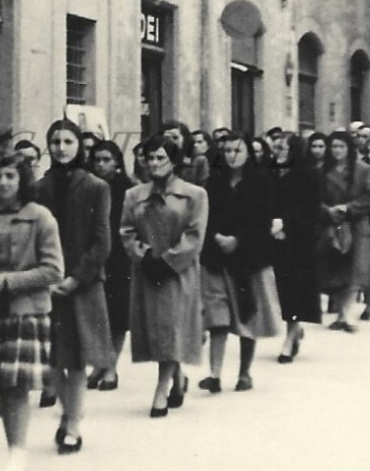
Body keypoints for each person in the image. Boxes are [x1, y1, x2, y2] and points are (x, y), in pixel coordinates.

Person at [0, 149, 65, 471]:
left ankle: (18, 455)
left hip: (27, 312)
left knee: (18, 384)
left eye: (11, 176)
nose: (3, 182)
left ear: (23, 180)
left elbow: (53, 270)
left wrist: (9, 282)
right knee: (3, 386)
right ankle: (13, 450)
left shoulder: (41, 217)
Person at [33, 119, 115, 451]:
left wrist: (76, 277)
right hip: (48, 284)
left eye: (68, 141)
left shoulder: (96, 186)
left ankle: (74, 424)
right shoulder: (39, 188)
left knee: (77, 359)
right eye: (55, 142)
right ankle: (67, 413)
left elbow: (101, 241)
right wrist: (48, 277)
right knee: (52, 360)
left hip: (82, 284)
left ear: (80, 145)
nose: (61, 148)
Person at [121, 135, 208, 418]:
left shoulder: (195, 195)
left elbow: (194, 235)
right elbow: (126, 230)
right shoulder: (134, 196)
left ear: (174, 161)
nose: (154, 163)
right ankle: (178, 376)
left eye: (161, 157)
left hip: (177, 273)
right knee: (159, 331)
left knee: (171, 327)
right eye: (150, 157)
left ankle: (160, 390)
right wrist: (144, 255)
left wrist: (169, 261)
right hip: (147, 269)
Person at [198, 130, 282, 390]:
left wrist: (238, 239)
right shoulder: (214, 181)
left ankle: (244, 373)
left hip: (249, 258)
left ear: (248, 153)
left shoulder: (260, 182)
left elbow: (263, 220)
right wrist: (217, 238)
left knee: (248, 316)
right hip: (216, 257)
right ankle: (214, 374)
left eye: (238, 150)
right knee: (217, 317)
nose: (232, 156)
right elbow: (204, 216)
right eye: (228, 151)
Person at [316, 132, 370, 333]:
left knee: (355, 270)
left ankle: (347, 314)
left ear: (349, 149)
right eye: (333, 147)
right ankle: (341, 312)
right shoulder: (321, 170)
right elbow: (312, 196)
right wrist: (327, 210)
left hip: (356, 224)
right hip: (331, 224)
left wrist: (349, 207)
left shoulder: (363, 169)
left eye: (341, 147)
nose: (337, 151)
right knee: (334, 270)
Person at [267, 133, 324, 358]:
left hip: (299, 240)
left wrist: (286, 225)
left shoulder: (309, 174)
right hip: (272, 237)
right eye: (277, 147)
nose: (278, 151)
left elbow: (312, 208)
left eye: (283, 148)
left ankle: (290, 337)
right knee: (279, 291)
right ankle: (294, 328)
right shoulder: (270, 171)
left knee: (295, 290)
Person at [87, 140, 133, 392]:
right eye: (97, 160)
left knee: (117, 314)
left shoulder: (126, 188)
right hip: (94, 254)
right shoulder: (89, 186)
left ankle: (111, 367)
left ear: (116, 161)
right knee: (96, 314)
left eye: (106, 159)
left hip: (119, 256)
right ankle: (99, 363)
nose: (101, 164)